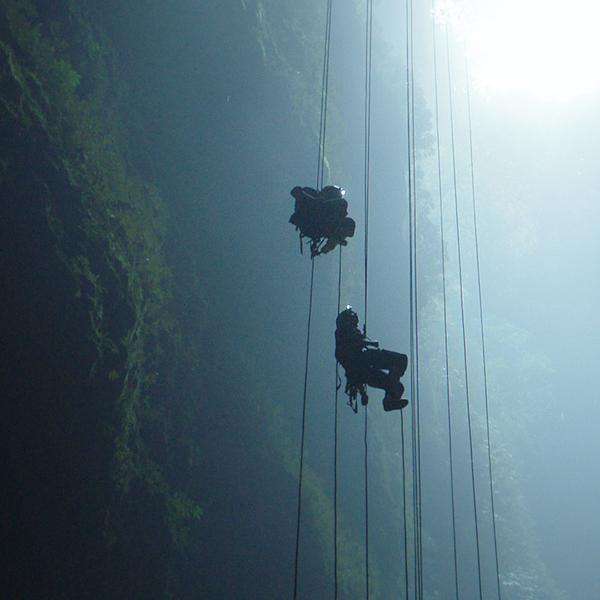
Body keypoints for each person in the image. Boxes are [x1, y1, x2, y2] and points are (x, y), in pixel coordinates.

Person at [335, 306, 408, 412]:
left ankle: (390, 399)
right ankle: (390, 398)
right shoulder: (345, 332)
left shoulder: (342, 340)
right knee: (400, 360)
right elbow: (355, 343)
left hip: (363, 372)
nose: (356, 324)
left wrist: (363, 393)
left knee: (397, 386)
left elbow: (352, 374)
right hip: (364, 359)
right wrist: (369, 343)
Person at [289, 185, 356, 256]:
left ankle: (334, 240)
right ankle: (334, 240)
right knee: (343, 205)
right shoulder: (336, 206)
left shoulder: (333, 216)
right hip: (315, 221)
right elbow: (296, 193)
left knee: (343, 213)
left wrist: (323, 250)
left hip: (317, 225)